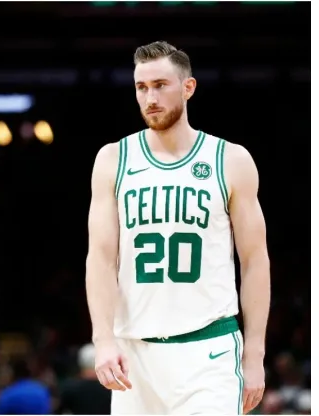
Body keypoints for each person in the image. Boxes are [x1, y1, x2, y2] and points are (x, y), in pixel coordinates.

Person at [85, 41, 269, 415]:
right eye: (141, 87)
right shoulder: (113, 159)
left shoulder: (230, 159)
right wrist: (102, 340)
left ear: (188, 88)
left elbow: (254, 261)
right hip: (135, 354)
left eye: (160, 85)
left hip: (210, 351)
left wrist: (254, 354)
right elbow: (101, 258)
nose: (150, 97)